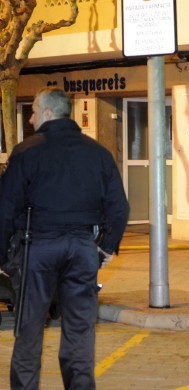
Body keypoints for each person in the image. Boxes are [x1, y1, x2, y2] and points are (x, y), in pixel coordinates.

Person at [0, 87, 130, 389]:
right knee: (80, 330)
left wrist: (4, 259)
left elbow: (5, 211)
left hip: (37, 249)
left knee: (29, 330)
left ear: (47, 113)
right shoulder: (98, 152)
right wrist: (106, 248)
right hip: (83, 249)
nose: (30, 118)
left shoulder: (26, 152)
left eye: (32, 111)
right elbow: (119, 207)